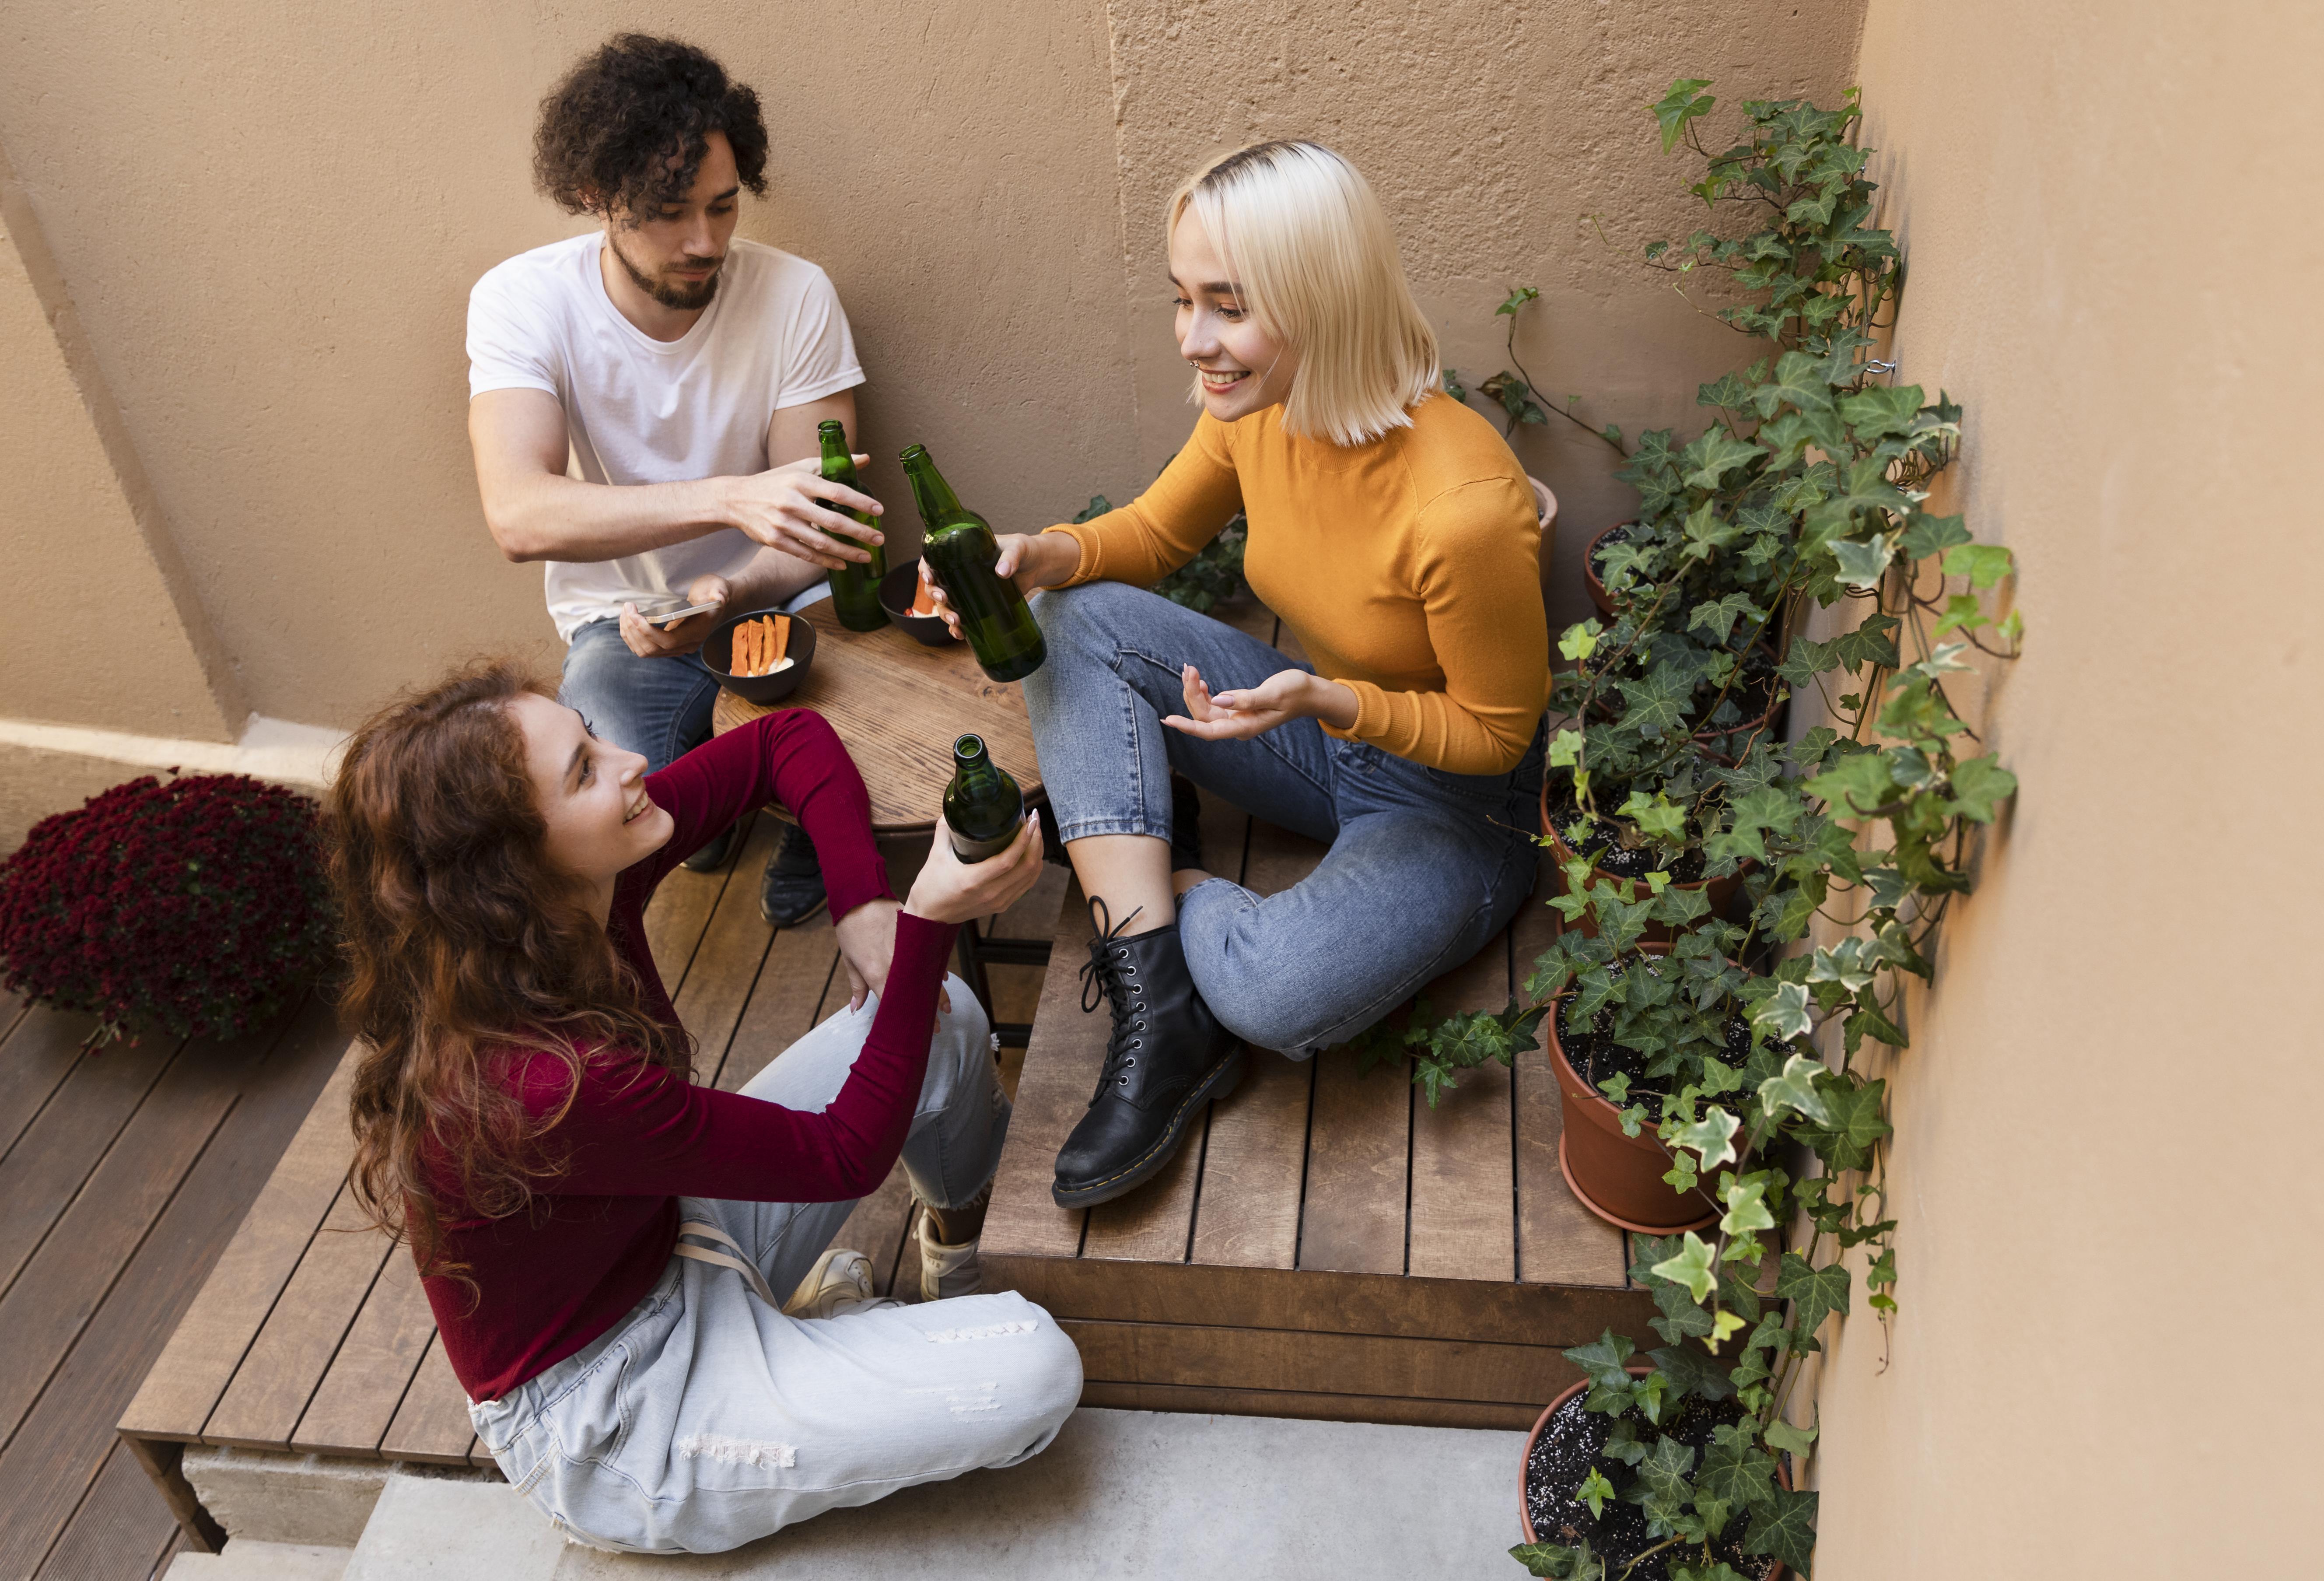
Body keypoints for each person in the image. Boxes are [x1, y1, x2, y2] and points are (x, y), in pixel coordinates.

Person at [324, 659, 1080, 1554]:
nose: (629, 760)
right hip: (621, 1409)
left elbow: (782, 739)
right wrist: (922, 923)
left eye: (590, 734)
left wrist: (860, 902)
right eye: (584, 771)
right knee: (1032, 1366)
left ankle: (941, 1266)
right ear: (510, 866)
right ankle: (781, 1382)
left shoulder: (575, 898)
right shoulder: (536, 1086)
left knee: (941, 1023)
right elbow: (845, 1156)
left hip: (670, 1240)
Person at [931, 141, 1548, 1209]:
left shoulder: (1464, 507)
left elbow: (1498, 737)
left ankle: (1156, 895)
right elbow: (1151, 534)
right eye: (1182, 300)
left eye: (1226, 305)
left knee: (1276, 993)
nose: (1192, 340)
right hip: (1316, 730)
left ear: (1324, 299)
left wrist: (1326, 698)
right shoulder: (1259, 407)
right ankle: (1159, 1005)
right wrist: (1047, 552)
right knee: (1065, 617)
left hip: (1457, 805)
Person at [466, 34, 886, 930]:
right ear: (595, 196)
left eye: (724, 208)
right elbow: (517, 513)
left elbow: (825, 520)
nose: (704, 242)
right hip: (622, 631)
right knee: (644, 833)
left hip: (780, 602)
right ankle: (731, 793)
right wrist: (727, 498)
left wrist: (729, 583)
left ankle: (794, 802)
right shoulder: (522, 299)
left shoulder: (795, 294)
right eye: (666, 212)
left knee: (859, 715)